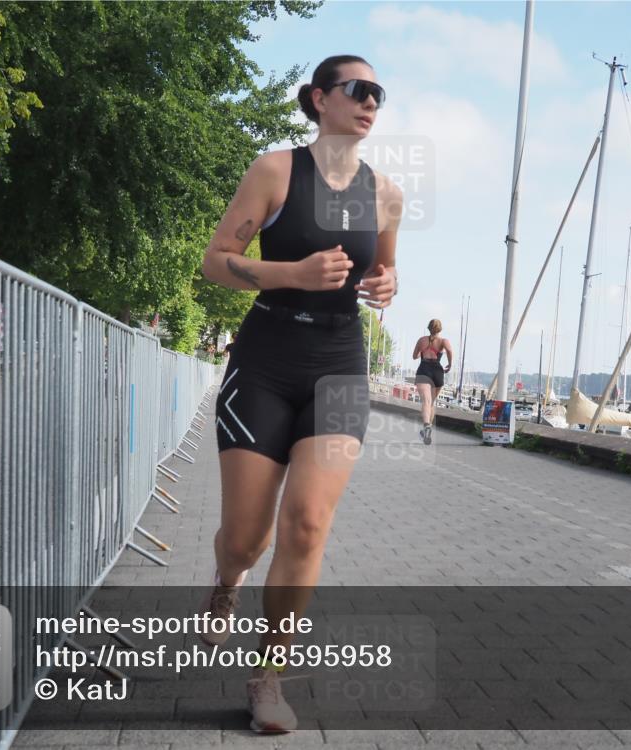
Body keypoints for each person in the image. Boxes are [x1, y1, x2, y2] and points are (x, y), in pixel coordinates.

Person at [199, 54, 401, 733]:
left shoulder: (387, 194)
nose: (371, 101)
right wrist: (292, 271)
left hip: (343, 363)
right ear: (319, 99)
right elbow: (214, 262)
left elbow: (388, 273)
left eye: (379, 93)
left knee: (309, 522)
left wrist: (386, 287)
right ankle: (226, 583)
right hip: (265, 361)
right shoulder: (275, 170)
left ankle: (268, 678)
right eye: (358, 89)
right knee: (246, 540)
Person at [412, 319, 452, 445]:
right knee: (431, 403)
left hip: (424, 370)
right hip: (437, 372)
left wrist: (423, 353)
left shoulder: (421, 340)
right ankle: (427, 428)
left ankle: (426, 426)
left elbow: (414, 356)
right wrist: (450, 364)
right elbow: (450, 351)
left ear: (429, 328)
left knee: (426, 401)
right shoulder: (444, 341)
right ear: (440, 329)